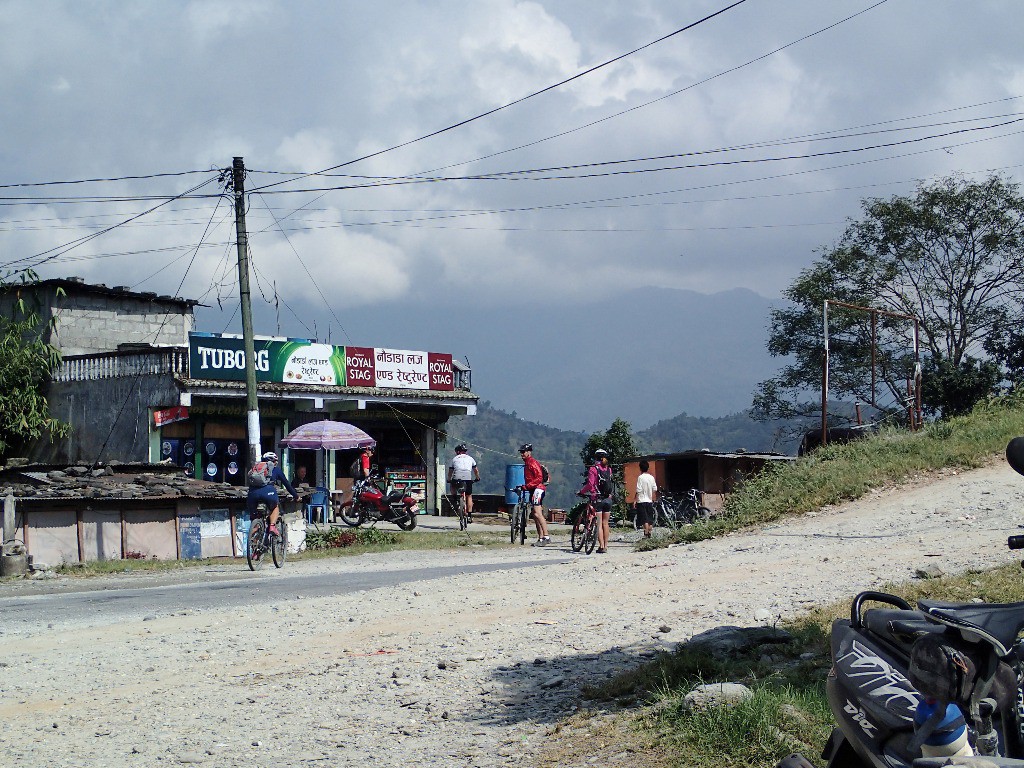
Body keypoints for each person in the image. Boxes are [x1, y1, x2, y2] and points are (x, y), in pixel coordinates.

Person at [246, 451, 298, 538]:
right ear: (274, 461)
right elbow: (287, 485)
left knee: (255, 520)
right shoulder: (275, 469)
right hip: (268, 492)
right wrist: (296, 496)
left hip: (252, 494)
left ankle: (254, 543)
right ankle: (272, 526)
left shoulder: (256, 468)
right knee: (275, 507)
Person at [581, 448, 614, 553]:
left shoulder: (593, 469)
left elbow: (590, 484)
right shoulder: (609, 469)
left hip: (597, 499)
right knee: (606, 523)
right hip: (608, 499)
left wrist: (582, 491)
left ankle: (601, 546)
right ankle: (606, 546)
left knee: (599, 524)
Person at [519, 443, 550, 546]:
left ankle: (546, 536)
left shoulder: (532, 462)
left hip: (538, 489)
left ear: (529, 452)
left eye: (523, 452)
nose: (522, 454)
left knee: (537, 513)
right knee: (535, 514)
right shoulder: (527, 463)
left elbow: (539, 478)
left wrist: (528, 486)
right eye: (521, 452)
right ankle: (540, 538)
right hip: (534, 489)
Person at [447, 443, 481, 522]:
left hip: (457, 477)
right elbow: (476, 470)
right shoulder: (471, 459)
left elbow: (450, 471)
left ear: (458, 452)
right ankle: (469, 516)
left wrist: (449, 479)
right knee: (469, 496)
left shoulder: (454, 459)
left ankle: (455, 499)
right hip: (467, 478)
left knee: (452, 486)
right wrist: (477, 478)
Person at [634, 459, 658, 539]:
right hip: (649, 500)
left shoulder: (640, 477)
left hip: (641, 500)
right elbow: (655, 488)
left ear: (640, 468)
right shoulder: (651, 477)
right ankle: (649, 533)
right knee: (650, 519)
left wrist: (635, 500)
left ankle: (646, 534)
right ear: (648, 468)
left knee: (644, 519)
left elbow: (638, 490)